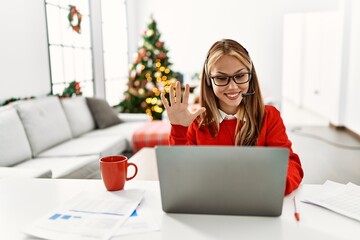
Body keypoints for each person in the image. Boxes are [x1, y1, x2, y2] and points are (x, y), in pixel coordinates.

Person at [160, 39, 303, 195]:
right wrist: (179, 129)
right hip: (209, 204)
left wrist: (274, 187)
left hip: (257, 200)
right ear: (209, 81)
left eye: (240, 76)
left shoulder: (269, 116)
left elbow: (290, 163)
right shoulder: (196, 121)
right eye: (221, 78)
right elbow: (180, 171)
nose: (233, 86)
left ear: (250, 76)